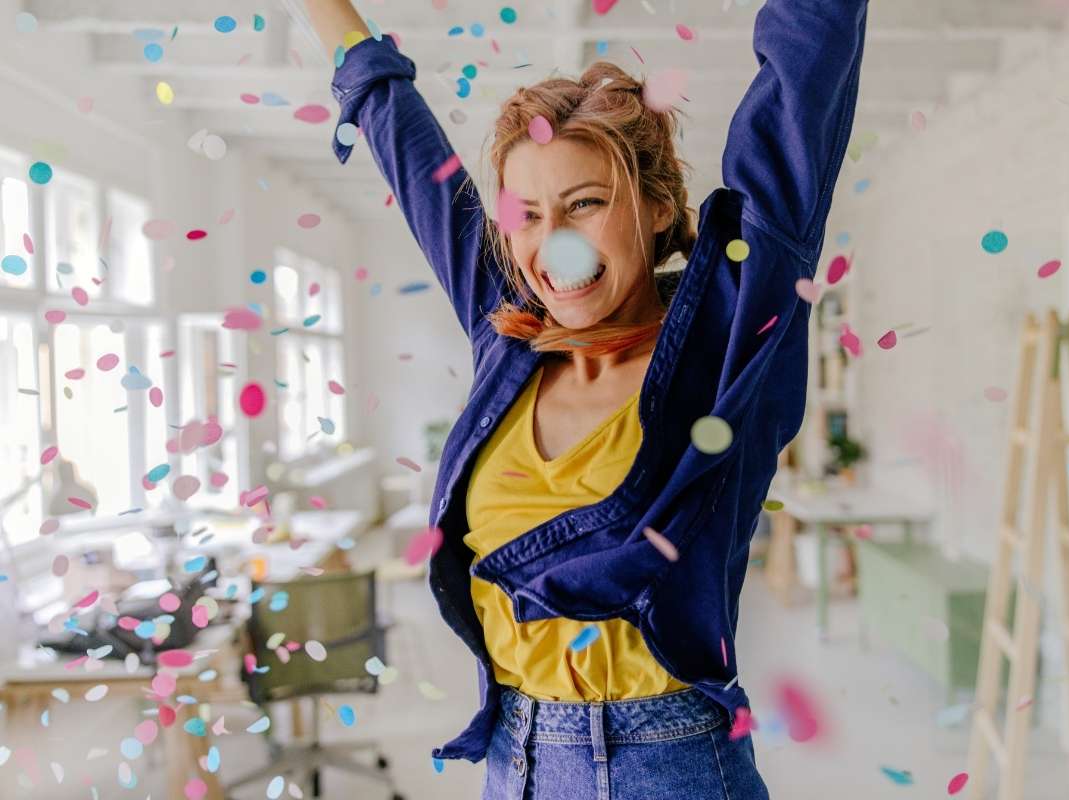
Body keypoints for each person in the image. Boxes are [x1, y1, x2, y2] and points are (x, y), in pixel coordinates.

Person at [307, 0, 868, 796]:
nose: (552, 243)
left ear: (657, 207)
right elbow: (396, 127)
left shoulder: (727, 345)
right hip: (515, 757)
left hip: (667, 763)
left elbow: (801, 86)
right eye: (527, 215)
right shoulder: (510, 340)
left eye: (585, 204)